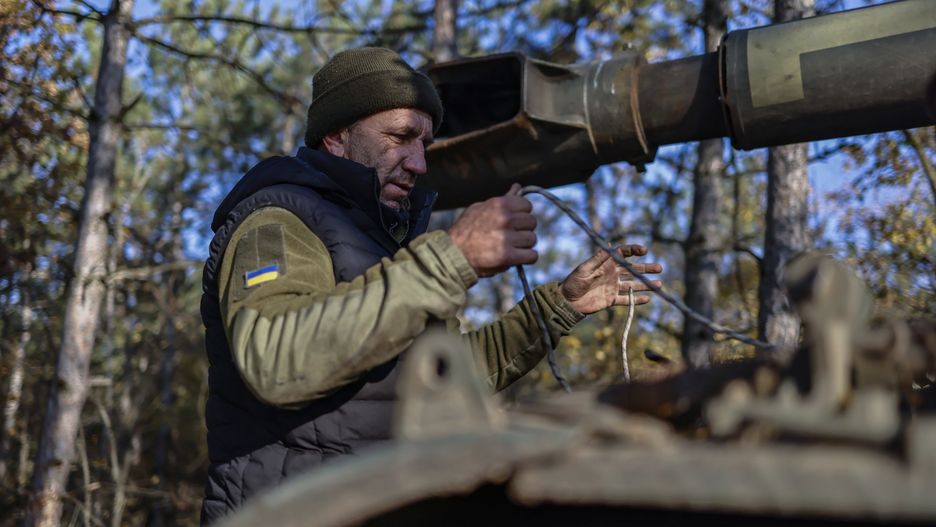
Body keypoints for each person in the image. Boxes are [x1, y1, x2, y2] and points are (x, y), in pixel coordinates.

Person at [199, 47, 662, 523]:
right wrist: (451, 258)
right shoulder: (277, 221)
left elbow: (439, 378)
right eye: (400, 137)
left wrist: (558, 307)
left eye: (424, 143)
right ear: (337, 137)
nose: (419, 163)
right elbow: (277, 361)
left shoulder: (387, 242)